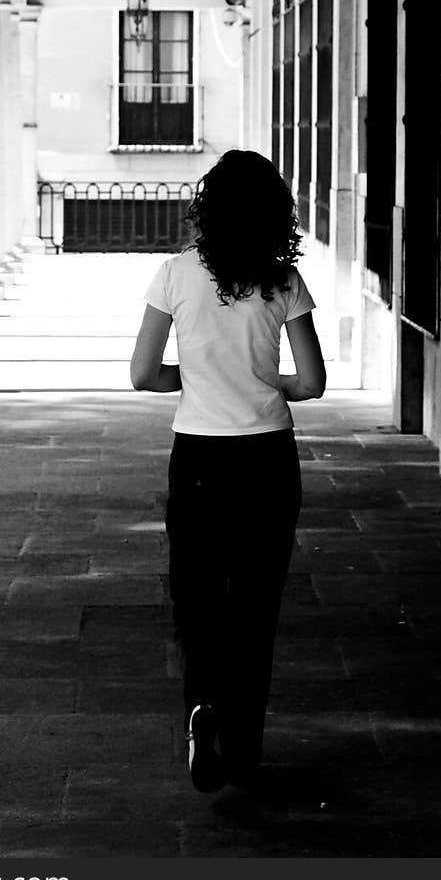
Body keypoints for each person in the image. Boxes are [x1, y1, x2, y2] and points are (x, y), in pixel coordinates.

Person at [130, 149, 326, 794]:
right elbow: (313, 382)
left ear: (206, 208)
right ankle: (242, 747)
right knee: (255, 601)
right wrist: (261, 381)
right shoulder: (283, 282)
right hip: (268, 454)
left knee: (198, 590)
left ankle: (201, 707)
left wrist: (199, 377)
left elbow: (142, 375)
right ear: (276, 211)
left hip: (200, 456)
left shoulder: (175, 274)